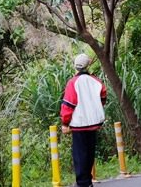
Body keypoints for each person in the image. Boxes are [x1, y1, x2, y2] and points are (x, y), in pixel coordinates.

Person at [60, 54, 107, 187]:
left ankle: (83, 183)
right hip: (94, 123)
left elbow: (68, 105)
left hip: (79, 124)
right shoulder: (96, 81)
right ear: (88, 66)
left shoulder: (73, 82)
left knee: (79, 154)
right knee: (89, 153)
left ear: (75, 66)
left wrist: (65, 123)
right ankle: (87, 180)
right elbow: (103, 97)